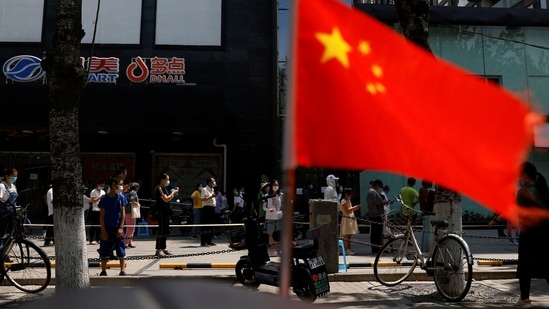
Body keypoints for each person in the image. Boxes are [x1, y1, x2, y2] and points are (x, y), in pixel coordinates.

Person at [512, 162, 549, 308]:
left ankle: (524, 299)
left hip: (530, 235)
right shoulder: (544, 190)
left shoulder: (524, 192)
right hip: (546, 234)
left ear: (524, 175)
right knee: (547, 266)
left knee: (525, 268)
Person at [98, 176, 128, 276]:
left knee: (120, 249)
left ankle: (122, 270)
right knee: (104, 250)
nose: (121, 186)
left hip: (117, 228)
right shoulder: (105, 199)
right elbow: (102, 216)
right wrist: (103, 231)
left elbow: (123, 214)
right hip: (107, 228)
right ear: (113, 185)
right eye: (120, 184)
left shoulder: (121, 198)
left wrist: (120, 227)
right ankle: (103, 270)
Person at [154, 173, 179, 256]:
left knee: (165, 229)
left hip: (166, 211)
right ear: (162, 179)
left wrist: (173, 193)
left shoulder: (165, 188)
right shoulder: (159, 188)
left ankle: (164, 248)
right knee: (161, 229)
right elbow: (166, 199)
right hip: (161, 211)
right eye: (167, 179)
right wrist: (173, 193)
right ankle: (159, 249)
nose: (168, 181)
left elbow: (169, 198)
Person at [366, 179, 388, 254]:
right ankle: (376, 249)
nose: (379, 188)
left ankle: (376, 248)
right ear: (377, 185)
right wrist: (385, 202)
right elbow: (379, 203)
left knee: (376, 233)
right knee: (376, 233)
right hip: (376, 215)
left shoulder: (371, 192)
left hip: (374, 214)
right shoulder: (373, 192)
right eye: (379, 187)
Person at [263, 179, 283, 257]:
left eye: (277, 185)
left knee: (279, 234)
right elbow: (264, 207)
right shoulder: (267, 196)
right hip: (270, 217)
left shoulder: (281, 195)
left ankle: (280, 249)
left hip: (279, 216)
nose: (275, 187)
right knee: (271, 234)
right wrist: (268, 210)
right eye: (274, 185)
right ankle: (273, 250)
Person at [339, 188, 361, 255]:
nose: (351, 196)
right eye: (350, 194)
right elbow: (347, 210)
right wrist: (355, 208)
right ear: (346, 194)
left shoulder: (348, 200)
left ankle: (349, 249)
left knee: (349, 235)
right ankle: (347, 249)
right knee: (347, 235)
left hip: (350, 218)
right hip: (347, 219)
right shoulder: (343, 201)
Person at [0, 168, 18, 248]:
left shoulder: (13, 186)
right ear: (7, 176)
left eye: (16, 176)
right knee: (2, 234)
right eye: (13, 176)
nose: (14, 178)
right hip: (3, 213)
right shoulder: (2, 186)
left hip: (12, 213)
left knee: (10, 234)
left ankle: (6, 253)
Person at [418, 180, 435, 252]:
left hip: (424, 211)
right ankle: (426, 249)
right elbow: (426, 200)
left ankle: (424, 249)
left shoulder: (421, 189)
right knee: (428, 232)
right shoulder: (425, 191)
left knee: (425, 232)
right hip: (427, 212)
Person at [200, 177, 217, 247]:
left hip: (212, 208)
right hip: (206, 208)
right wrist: (211, 196)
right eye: (213, 182)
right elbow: (203, 199)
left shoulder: (213, 189)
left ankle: (209, 240)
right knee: (205, 225)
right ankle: (204, 242)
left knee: (211, 225)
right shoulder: (204, 189)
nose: (214, 183)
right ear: (209, 182)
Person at [89, 180, 105, 245]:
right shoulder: (93, 192)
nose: (102, 187)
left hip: (101, 210)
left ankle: (98, 239)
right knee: (93, 225)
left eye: (103, 186)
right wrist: (99, 197)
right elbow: (92, 201)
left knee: (100, 225)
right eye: (101, 185)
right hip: (95, 210)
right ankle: (91, 239)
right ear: (97, 184)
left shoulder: (103, 192)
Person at [124, 182, 140, 249]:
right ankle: (126, 243)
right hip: (131, 211)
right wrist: (136, 203)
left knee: (130, 227)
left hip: (127, 211)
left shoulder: (128, 192)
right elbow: (131, 200)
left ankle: (129, 241)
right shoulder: (133, 192)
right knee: (131, 228)